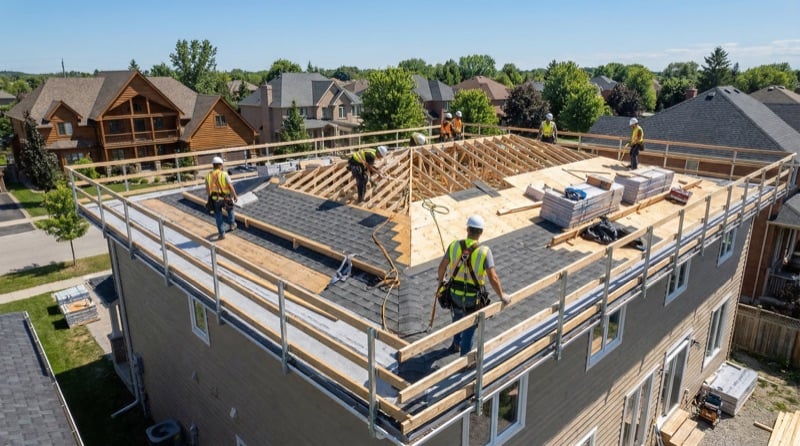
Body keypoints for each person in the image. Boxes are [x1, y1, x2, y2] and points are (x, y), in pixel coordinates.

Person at [436, 215, 510, 356]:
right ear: (481, 232)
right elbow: (493, 277)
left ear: (467, 229)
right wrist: (502, 296)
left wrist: (441, 283)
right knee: (469, 329)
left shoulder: (454, 245)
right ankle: (464, 361)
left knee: (457, 318)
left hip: (454, 295)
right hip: (472, 300)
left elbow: (441, 268)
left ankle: (456, 345)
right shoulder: (484, 251)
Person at [205, 156, 238, 240]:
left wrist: (210, 199)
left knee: (218, 216)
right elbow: (230, 186)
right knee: (230, 210)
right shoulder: (224, 174)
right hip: (225, 197)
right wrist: (235, 195)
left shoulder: (208, 175)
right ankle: (232, 224)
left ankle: (221, 233)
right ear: (220, 165)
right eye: (222, 165)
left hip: (214, 199)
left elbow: (208, 189)